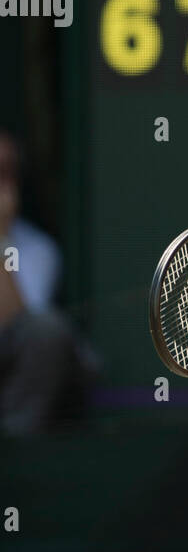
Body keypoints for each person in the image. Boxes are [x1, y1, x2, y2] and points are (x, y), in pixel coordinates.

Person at [0, 132, 93, 435]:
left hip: (12, 384)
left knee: (47, 330)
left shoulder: (38, 250)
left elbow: (19, 326)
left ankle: (14, 447)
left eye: (4, 172)